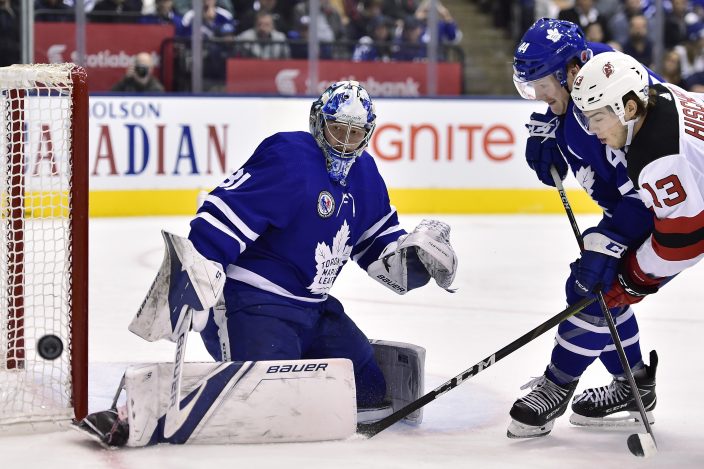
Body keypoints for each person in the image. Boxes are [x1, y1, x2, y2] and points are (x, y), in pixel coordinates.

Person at [76, 80, 458, 447]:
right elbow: (222, 217)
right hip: (252, 306)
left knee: (371, 394)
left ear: (368, 134)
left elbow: (377, 245)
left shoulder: (366, 175)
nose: (344, 142)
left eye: (354, 134)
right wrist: (199, 273)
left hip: (316, 310)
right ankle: (142, 411)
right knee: (270, 399)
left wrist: (416, 259)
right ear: (318, 123)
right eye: (336, 128)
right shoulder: (290, 158)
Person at [507, 18, 659, 439]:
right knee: (609, 293)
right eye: (531, 86)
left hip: (665, 205)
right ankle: (635, 386)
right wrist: (552, 126)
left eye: (543, 84)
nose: (538, 94)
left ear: (570, 71)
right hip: (635, 203)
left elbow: (649, 191)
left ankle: (557, 384)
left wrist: (609, 243)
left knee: (590, 289)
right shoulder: (582, 76)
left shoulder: (609, 85)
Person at [571, 51, 699, 312]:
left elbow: (683, 245)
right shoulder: (664, 93)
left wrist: (629, 279)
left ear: (629, 108)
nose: (592, 129)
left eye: (597, 118)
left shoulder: (656, 160)